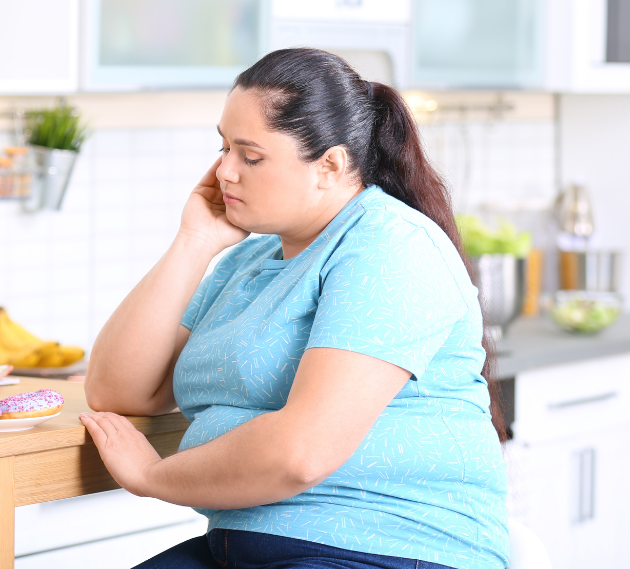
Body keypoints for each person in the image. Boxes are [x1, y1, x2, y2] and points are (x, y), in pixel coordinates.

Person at [81, 48, 509, 569]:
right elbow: (120, 390)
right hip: (250, 548)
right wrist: (193, 240)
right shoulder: (253, 256)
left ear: (329, 165)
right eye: (222, 148)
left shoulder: (390, 246)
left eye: (249, 156)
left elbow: (301, 454)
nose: (224, 173)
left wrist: (151, 478)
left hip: (383, 550)